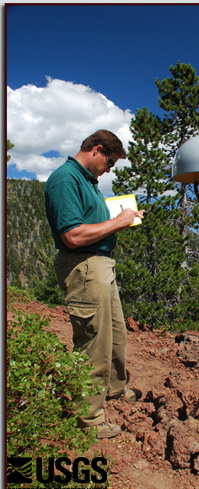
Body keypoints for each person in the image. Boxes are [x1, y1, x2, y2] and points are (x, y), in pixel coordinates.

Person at [45, 130, 145, 439]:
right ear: (97, 150)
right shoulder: (65, 179)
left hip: (100, 265)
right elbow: (72, 236)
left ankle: (114, 390)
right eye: (110, 162)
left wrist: (124, 220)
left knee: (115, 334)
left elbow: (91, 224)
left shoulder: (87, 181)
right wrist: (119, 221)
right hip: (85, 267)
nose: (110, 169)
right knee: (94, 343)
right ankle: (89, 418)